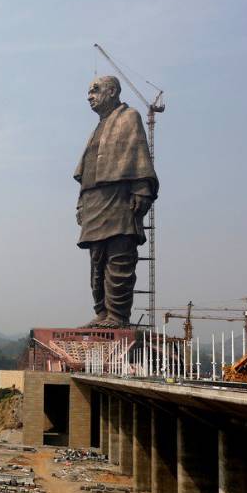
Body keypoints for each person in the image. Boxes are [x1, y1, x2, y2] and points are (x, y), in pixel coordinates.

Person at [74, 75, 159, 328]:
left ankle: (118, 316)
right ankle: (102, 312)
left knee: (120, 259)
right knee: (96, 262)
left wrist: (142, 189)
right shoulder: (98, 127)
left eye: (95, 90)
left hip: (119, 199)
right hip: (94, 202)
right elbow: (86, 169)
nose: (90, 96)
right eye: (89, 92)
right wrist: (81, 203)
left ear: (112, 91)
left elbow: (139, 153)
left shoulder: (128, 117)